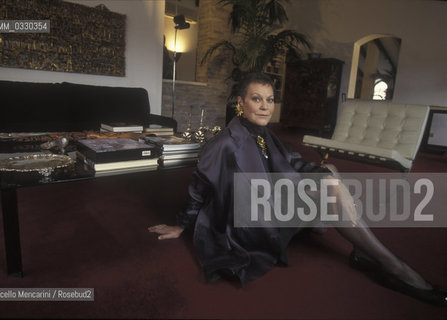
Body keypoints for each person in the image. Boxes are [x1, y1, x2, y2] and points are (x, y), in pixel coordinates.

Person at [148, 73, 446, 306]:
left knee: (328, 173)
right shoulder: (225, 142)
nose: (265, 106)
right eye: (256, 99)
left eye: (269, 99)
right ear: (241, 102)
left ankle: (365, 251)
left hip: (267, 201)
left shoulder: (266, 134)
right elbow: (199, 187)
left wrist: (332, 182)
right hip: (244, 220)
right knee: (329, 188)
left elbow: (295, 163)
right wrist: (180, 225)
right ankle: (395, 269)